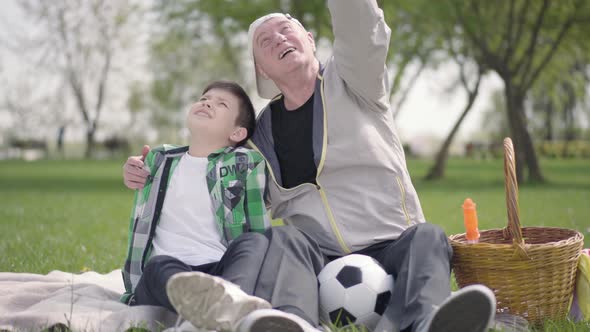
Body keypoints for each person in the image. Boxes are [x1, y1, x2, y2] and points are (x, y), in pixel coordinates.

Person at [124, 1, 498, 332]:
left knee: (429, 236)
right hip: (316, 258)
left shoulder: (356, 83)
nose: (279, 40)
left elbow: (361, 28)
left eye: (286, 31)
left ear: (310, 39)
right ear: (263, 71)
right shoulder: (260, 136)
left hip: (392, 241)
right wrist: (150, 171)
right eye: (266, 43)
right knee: (281, 238)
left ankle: (424, 321)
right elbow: (210, 173)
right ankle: (292, 323)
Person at [121, 80, 324, 332]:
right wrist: (131, 169)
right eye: (204, 98)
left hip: (223, 273)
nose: (207, 103)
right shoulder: (160, 160)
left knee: (255, 242)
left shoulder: (245, 163)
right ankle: (220, 317)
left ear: (238, 133)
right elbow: (136, 172)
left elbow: (281, 166)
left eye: (221, 104)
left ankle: (225, 310)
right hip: (167, 278)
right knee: (157, 265)